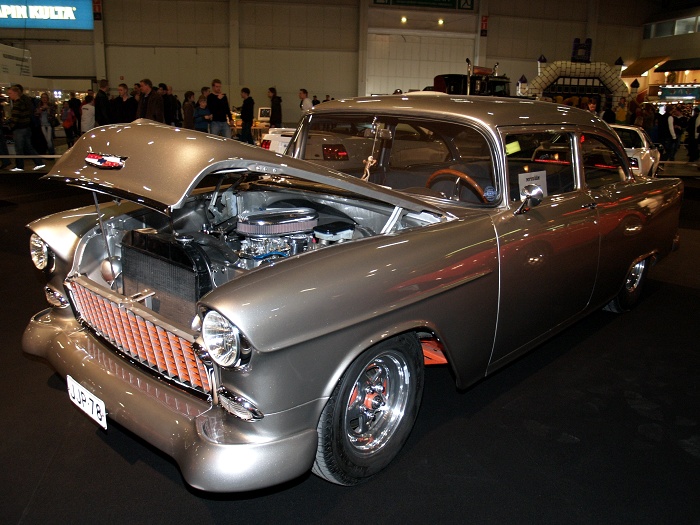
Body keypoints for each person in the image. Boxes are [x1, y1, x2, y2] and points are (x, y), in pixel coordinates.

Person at [6, 85, 45, 172]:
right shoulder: (24, 102)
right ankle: (39, 162)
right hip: (26, 128)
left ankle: (19, 166)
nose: (9, 95)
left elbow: (15, 118)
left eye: (10, 93)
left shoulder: (17, 104)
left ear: (15, 93)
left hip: (20, 129)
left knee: (19, 148)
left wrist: (11, 126)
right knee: (28, 146)